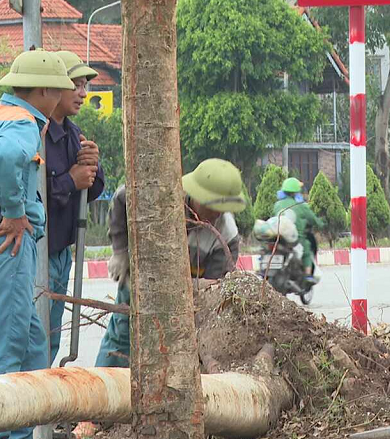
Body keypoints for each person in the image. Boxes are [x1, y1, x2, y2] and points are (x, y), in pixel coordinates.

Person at [0, 49, 73, 439]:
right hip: (6, 243)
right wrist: (14, 212)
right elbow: (8, 158)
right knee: (2, 343)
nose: (65, 96)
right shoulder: (23, 123)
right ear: (43, 90)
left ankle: (19, 437)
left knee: (28, 342)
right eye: (61, 89)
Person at [95, 158, 245, 368]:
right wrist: (120, 251)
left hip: (185, 301)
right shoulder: (162, 196)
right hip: (140, 285)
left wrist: (194, 288)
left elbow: (214, 287)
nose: (216, 213)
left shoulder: (226, 235)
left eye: (222, 208)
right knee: (121, 339)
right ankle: (104, 394)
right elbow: (122, 197)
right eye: (212, 206)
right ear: (196, 195)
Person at [45, 51, 105, 364]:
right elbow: (36, 195)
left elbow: (93, 188)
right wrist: (70, 180)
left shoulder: (73, 134)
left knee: (52, 335)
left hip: (61, 254)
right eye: (77, 85)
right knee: (32, 336)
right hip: (38, 253)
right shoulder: (37, 133)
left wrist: (93, 165)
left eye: (85, 86)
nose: (83, 93)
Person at [272, 177, 323, 278]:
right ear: (295, 192)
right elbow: (313, 219)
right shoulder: (300, 205)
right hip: (296, 239)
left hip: (279, 238)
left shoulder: (277, 205)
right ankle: (308, 275)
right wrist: (321, 224)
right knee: (307, 248)